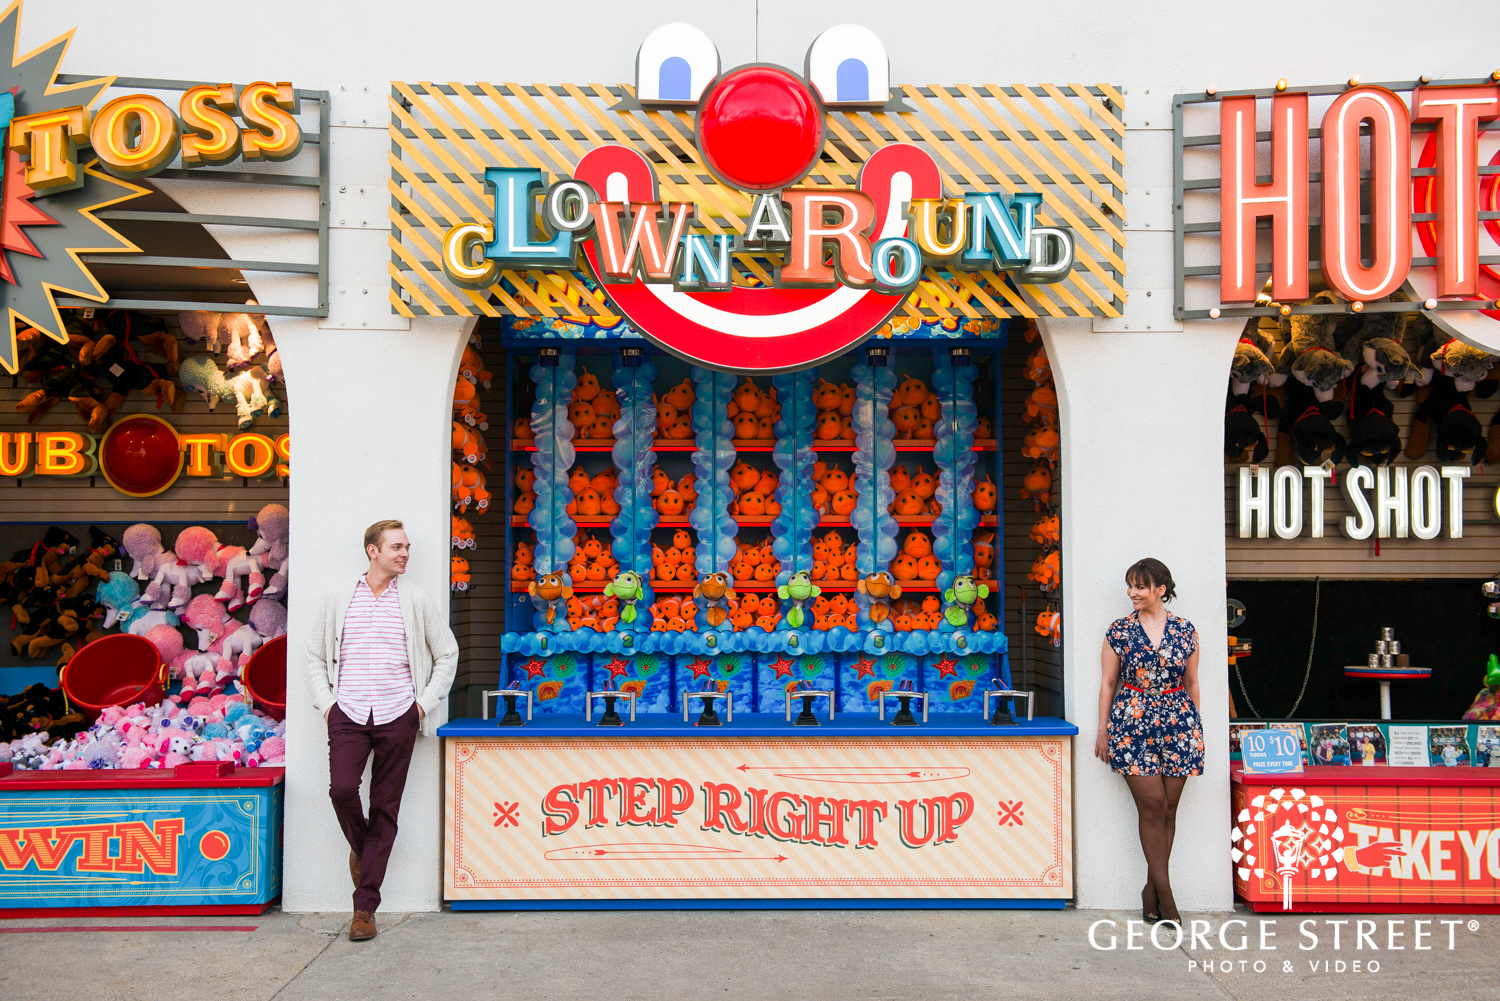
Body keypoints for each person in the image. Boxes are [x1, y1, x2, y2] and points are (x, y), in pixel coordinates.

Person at [307, 519, 459, 942]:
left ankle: (364, 909)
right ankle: (365, 848)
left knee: (385, 807)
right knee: (341, 790)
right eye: (396, 547)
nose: (405, 553)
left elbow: (447, 654)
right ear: (372, 551)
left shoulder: (416, 600)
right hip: (348, 714)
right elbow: (315, 656)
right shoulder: (339, 598)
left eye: (407, 547)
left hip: (398, 715)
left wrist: (421, 707)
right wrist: (327, 705)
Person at [1093, 558, 1204, 925]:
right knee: (1154, 805)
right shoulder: (1119, 631)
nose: (1132, 593)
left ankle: (1150, 892)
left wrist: (1196, 729)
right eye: (1130, 586)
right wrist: (1103, 729)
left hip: (1179, 724)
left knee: (1170, 808)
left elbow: (1192, 683)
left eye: (1140, 586)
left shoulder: (1186, 630)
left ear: (1160, 589)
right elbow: (1109, 683)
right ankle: (1167, 895)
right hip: (1131, 723)